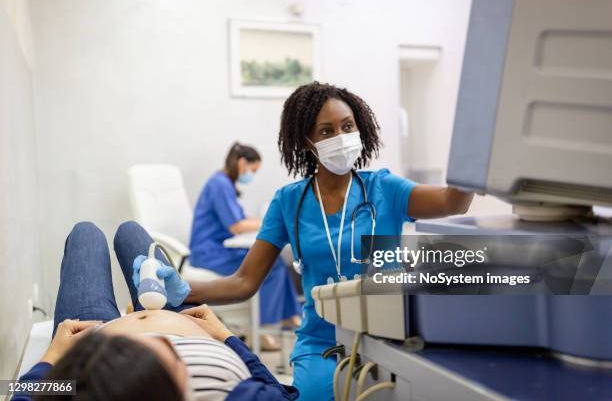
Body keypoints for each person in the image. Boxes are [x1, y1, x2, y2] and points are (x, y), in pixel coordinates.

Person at [151, 82, 474, 400]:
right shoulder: (288, 202)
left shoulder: (385, 189)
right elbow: (243, 282)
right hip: (323, 342)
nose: (341, 138)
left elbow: (452, 202)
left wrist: (474, 144)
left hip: (390, 336)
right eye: (326, 131)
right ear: (306, 141)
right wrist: (180, 289)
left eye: (348, 126)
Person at [12, 221, 298, 401]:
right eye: (172, 362)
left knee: (85, 233)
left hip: (88, 336)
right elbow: (279, 392)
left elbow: (16, 393)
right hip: (186, 323)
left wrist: (52, 358)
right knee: (130, 231)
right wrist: (225, 336)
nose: (158, 342)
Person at [189, 142, 301, 348]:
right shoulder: (219, 184)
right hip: (208, 252)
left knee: (274, 260)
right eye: (253, 170)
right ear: (242, 163)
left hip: (219, 248)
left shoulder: (225, 184)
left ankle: (290, 317)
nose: (252, 176)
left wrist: (263, 222)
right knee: (269, 264)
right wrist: (272, 221)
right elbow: (236, 226)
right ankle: (263, 329)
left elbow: (240, 219)